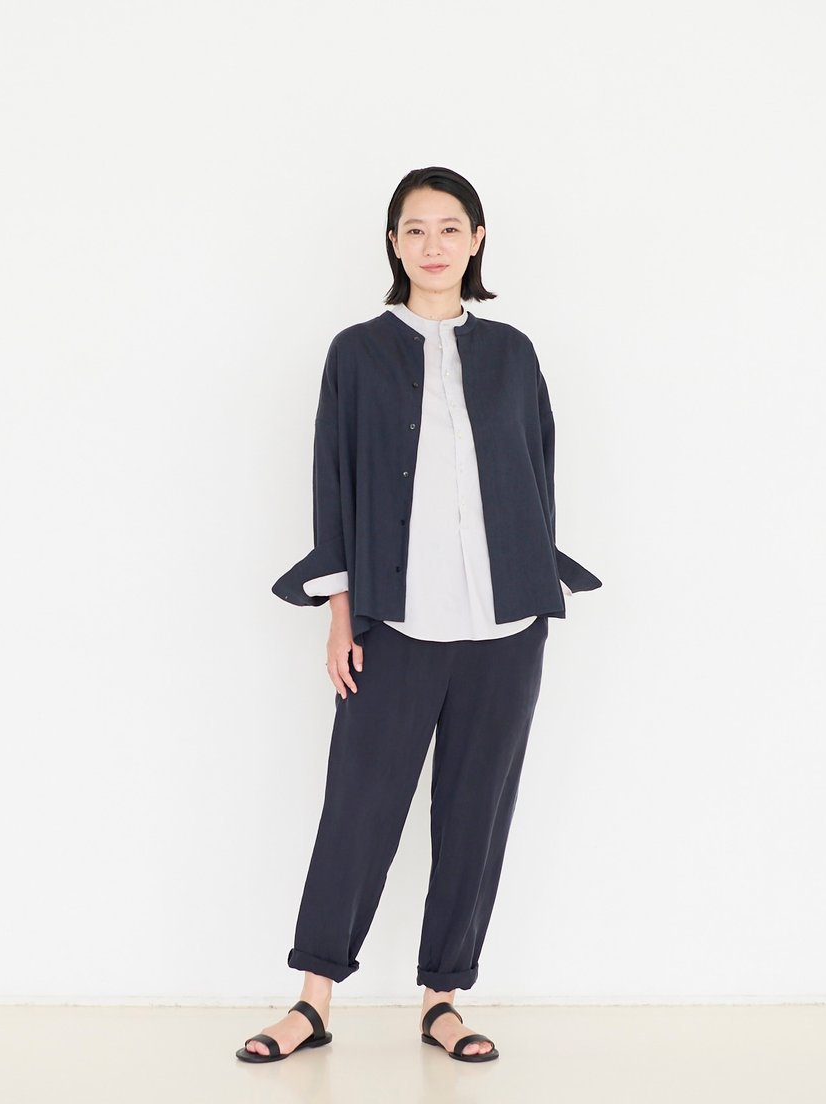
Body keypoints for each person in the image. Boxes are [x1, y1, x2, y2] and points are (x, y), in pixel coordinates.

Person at [237, 166, 601, 1066]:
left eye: (449, 227)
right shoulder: (358, 353)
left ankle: (444, 998)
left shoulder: (513, 352)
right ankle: (313, 999)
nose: (432, 244)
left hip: (504, 633)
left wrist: (534, 584)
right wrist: (341, 614)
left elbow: (538, 474)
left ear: (477, 240)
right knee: (358, 811)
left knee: (475, 816)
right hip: (393, 626)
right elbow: (334, 483)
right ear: (393, 244)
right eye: (414, 229)